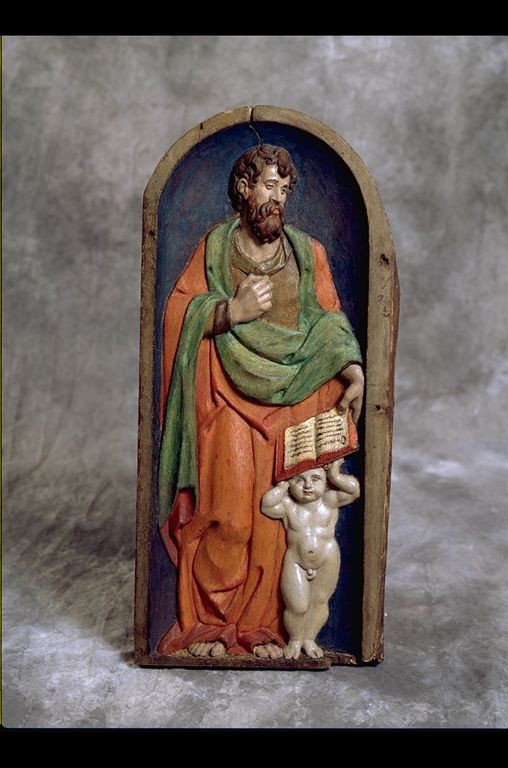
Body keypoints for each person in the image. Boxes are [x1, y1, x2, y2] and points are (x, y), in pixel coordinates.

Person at [157, 143, 365, 658]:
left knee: (275, 526)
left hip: (294, 404)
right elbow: (178, 312)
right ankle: (209, 624)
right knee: (230, 519)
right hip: (227, 401)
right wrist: (231, 311)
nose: (278, 199)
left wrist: (354, 370)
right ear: (245, 188)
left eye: (285, 190)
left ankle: (259, 630)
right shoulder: (214, 249)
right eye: (270, 186)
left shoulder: (306, 253)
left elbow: (329, 323)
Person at [261, 460, 360, 659]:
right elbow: (267, 505)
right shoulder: (289, 505)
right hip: (296, 561)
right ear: (292, 482)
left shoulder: (329, 501)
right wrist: (282, 486)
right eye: (300, 480)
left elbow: (354, 490)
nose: (308, 486)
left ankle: (309, 639)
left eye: (315, 479)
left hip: (327, 558)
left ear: (325, 482)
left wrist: (335, 475)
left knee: (320, 602)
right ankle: (295, 639)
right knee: (296, 606)